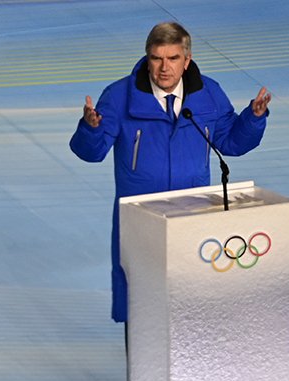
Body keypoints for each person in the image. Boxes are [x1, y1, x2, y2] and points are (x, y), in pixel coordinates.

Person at [69, 21, 272, 330]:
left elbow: (231, 141)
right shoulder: (118, 97)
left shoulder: (208, 94)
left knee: (192, 300)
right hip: (140, 219)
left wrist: (253, 118)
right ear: (147, 58)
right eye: (156, 58)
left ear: (186, 60)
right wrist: (91, 128)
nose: (164, 68)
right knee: (141, 304)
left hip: (193, 216)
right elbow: (91, 153)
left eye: (173, 58)